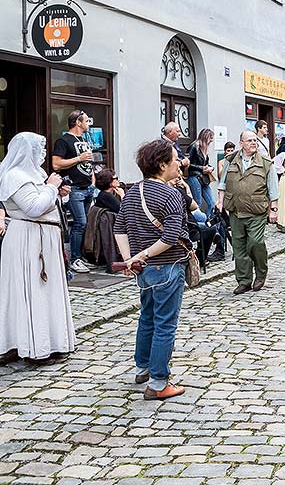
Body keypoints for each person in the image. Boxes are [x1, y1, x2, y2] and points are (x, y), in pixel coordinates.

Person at [113, 139, 190, 401]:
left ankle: (141, 367)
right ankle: (158, 382)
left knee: (147, 317)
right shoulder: (171, 194)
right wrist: (140, 255)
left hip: (144, 270)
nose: (179, 162)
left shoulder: (132, 191)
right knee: (165, 324)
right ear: (161, 165)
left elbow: (119, 228)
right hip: (166, 266)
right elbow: (170, 237)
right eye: (175, 158)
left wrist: (130, 260)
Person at [0, 133, 76, 366]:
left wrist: (58, 195)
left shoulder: (34, 175)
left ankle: (47, 343)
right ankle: (31, 347)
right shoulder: (15, 176)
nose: (43, 154)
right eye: (39, 150)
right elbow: (33, 207)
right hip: (29, 241)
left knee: (44, 291)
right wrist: (52, 188)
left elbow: (44, 204)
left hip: (42, 240)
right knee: (31, 291)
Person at [216, 131, 279, 294]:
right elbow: (223, 184)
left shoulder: (265, 162)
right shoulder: (231, 160)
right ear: (241, 143)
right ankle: (244, 280)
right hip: (235, 210)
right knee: (239, 246)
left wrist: (274, 209)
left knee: (255, 243)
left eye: (255, 140)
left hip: (256, 210)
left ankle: (260, 273)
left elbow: (273, 188)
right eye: (250, 140)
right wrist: (220, 201)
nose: (254, 143)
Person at [52, 109, 97, 273]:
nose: (88, 123)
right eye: (86, 121)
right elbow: (56, 164)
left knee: (83, 224)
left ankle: (81, 257)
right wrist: (79, 158)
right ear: (77, 122)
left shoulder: (84, 139)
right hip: (74, 189)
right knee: (80, 223)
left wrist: (92, 179)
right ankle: (75, 258)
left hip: (87, 188)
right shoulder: (63, 141)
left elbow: (88, 163)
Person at [186, 128, 216, 215]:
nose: (211, 141)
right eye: (210, 139)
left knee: (212, 203)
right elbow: (188, 164)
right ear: (205, 137)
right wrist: (202, 168)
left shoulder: (204, 148)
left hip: (203, 179)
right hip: (194, 178)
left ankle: (208, 225)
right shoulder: (194, 146)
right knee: (197, 204)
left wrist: (211, 168)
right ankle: (198, 225)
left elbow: (206, 163)